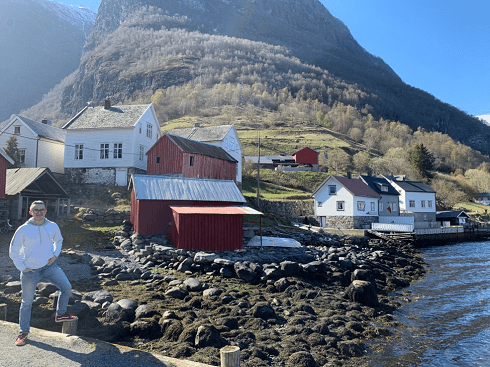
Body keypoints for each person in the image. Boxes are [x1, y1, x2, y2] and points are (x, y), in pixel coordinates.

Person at [9, 200, 77, 346]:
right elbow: (13, 251)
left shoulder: (52, 226)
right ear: (30, 212)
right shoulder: (23, 229)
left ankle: (60, 314)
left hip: (49, 267)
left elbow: (58, 240)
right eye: (35, 210)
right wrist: (22, 267)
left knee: (66, 288)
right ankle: (23, 332)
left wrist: (55, 255)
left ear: (46, 211)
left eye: (41, 210)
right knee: (26, 302)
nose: (39, 213)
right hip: (30, 271)